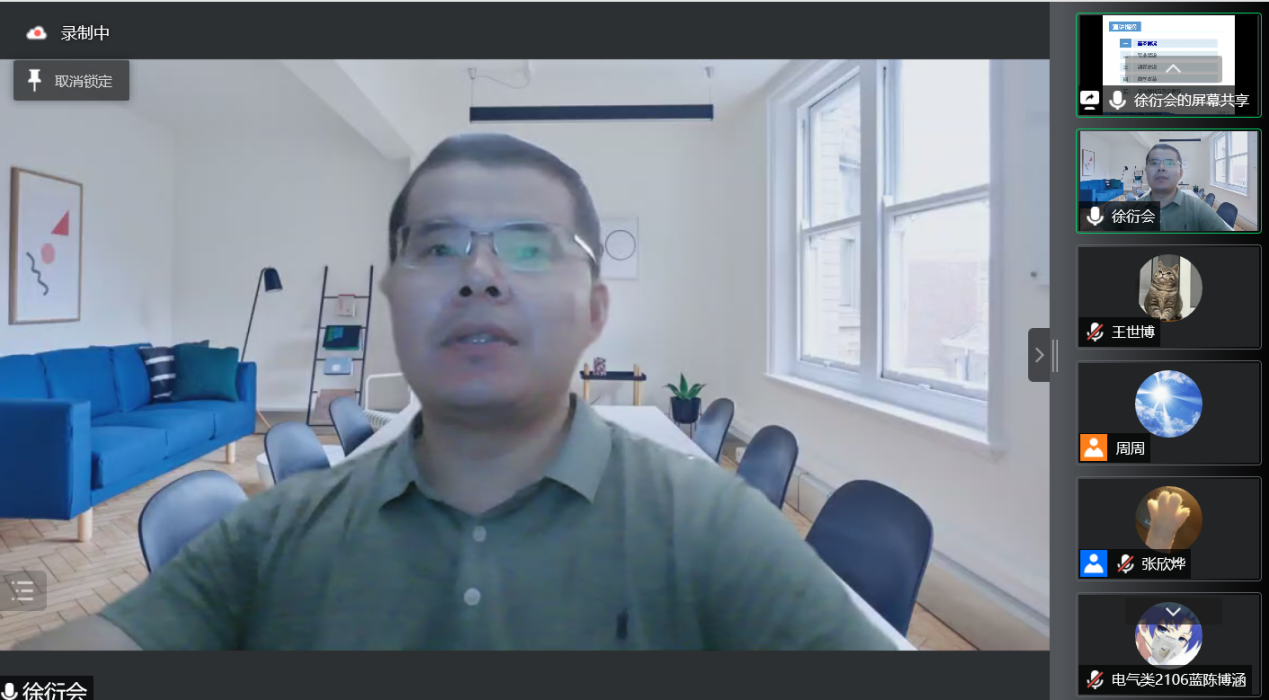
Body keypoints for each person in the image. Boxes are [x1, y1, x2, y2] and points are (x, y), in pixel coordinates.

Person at [13, 133, 901, 651]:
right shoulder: (275, 532)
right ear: (392, 297)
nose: (479, 274)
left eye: (529, 247)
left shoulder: (711, 526)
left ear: (595, 311)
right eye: (437, 247)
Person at [1143, 144, 1233, 232]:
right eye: (1154, 163)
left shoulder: (1200, 210)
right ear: (1146, 170)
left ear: (1181, 173)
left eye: (1170, 163)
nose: (1161, 167)